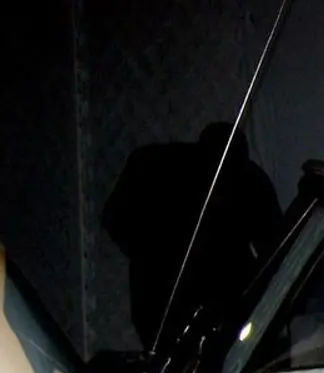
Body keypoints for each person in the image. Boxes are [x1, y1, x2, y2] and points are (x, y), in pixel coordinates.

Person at [104, 122, 283, 353]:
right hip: (172, 301)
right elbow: (273, 250)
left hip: (182, 303)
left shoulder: (248, 180)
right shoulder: (160, 167)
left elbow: (273, 251)